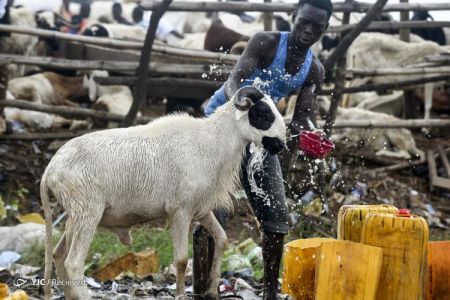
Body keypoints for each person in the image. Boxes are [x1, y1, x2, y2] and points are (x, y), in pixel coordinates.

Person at [202, 0, 333, 299]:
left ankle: (270, 291)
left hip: (261, 134)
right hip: (223, 123)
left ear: (326, 28)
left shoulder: (314, 69)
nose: (308, 31)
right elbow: (235, 80)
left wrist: (312, 135)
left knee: (276, 216)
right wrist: (245, 103)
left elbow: (300, 120)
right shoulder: (268, 43)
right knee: (211, 210)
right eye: (304, 23)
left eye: (317, 26)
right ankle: (202, 288)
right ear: (293, 17)